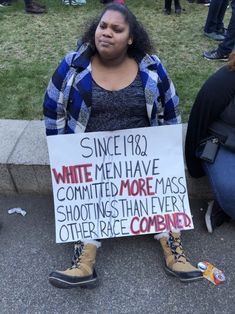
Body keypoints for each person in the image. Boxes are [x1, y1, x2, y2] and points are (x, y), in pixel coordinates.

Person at [43, 3, 202, 289]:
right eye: (103, 26)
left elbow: (171, 110)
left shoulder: (152, 68)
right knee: (85, 201)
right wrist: (62, 154)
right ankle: (85, 261)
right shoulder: (73, 65)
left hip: (139, 161)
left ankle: (174, 250)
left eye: (117, 29)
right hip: (91, 161)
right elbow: (52, 108)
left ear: (131, 37)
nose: (106, 33)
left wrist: (165, 159)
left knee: (162, 196)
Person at [185, 52, 235, 233]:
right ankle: (224, 201)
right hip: (223, 142)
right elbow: (198, 120)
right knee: (231, 189)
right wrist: (195, 168)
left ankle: (224, 205)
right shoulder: (226, 80)